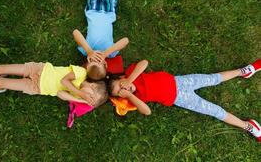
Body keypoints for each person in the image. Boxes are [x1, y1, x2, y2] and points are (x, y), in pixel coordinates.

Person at [108, 59, 261, 142]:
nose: (124, 89)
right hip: (181, 98)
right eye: (120, 93)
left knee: (213, 79)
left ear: (122, 77)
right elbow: (146, 112)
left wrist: (130, 79)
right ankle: (248, 126)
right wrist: (129, 96)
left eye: (120, 85)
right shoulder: (136, 98)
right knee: (215, 111)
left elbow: (144, 63)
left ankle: (244, 71)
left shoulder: (131, 74)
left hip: (180, 82)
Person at [74, 0, 134, 80]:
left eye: (92, 62)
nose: (96, 59)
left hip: (93, 7)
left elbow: (76, 33)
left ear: (87, 62)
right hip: (109, 9)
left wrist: (90, 51)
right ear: (105, 63)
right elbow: (125, 40)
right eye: (99, 62)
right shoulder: (110, 53)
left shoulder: (86, 50)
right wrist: (106, 53)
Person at [0, 62, 108, 108]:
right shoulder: (81, 73)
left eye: (90, 101)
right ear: (93, 86)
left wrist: (80, 100)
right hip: (39, 70)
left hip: (37, 87)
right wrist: (81, 93)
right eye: (91, 97)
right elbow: (64, 81)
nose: (88, 99)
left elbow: (60, 93)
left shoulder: (77, 95)